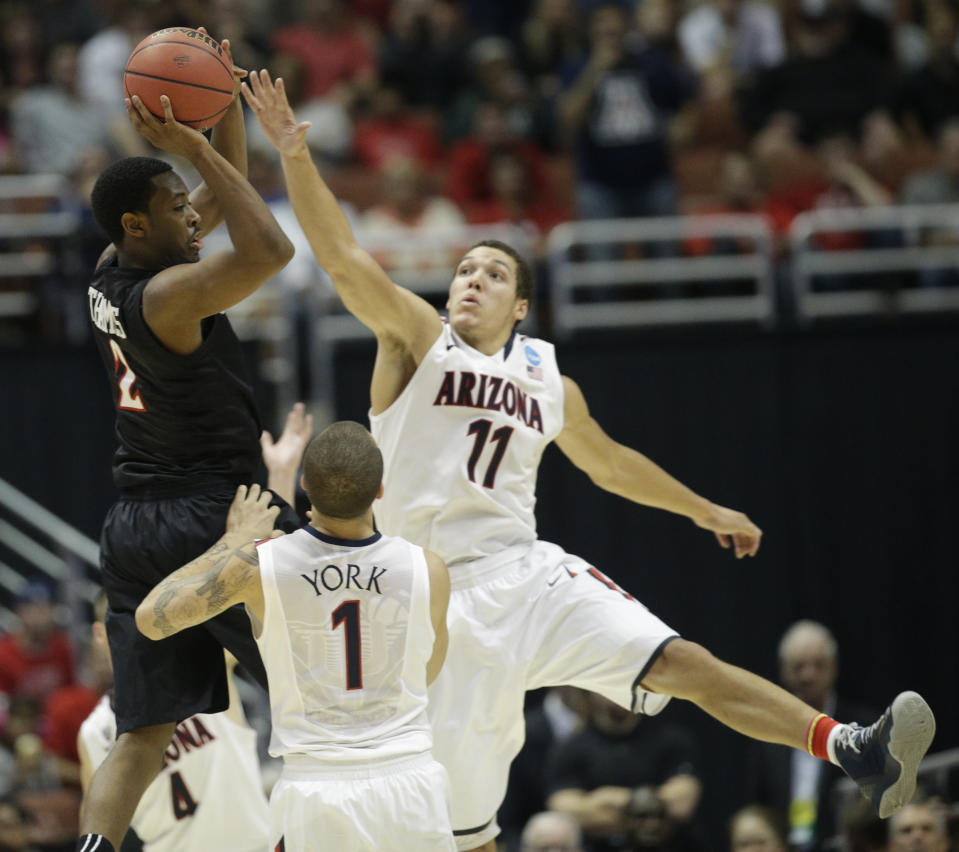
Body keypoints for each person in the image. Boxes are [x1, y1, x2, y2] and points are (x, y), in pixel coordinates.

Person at [242, 68, 936, 852]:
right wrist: (295, 152)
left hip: (528, 574)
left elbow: (607, 464)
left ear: (523, 305)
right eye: (465, 269)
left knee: (682, 662)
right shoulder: (415, 339)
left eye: (493, 273)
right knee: (464, 835)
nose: (471, 280)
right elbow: (338, 257)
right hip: (436, 600)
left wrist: (700, 508)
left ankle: (851, 746)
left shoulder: (546, 377)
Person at [76, 35, 299, 852]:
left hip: (134, 524)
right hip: (217, 514)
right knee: (318, 690)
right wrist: (199, 140)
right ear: (141, 224)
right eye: (178, 208)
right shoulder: (169, 297)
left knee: (142, 733)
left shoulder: (111, 265)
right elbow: (270, 249)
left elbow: (213, 197)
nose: (194, 211)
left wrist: (221, 109)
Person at [135, 422, 454, 851]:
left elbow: (151, 618)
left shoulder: (259, 566)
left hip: (317, 788)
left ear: (306, 486)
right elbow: (427, 671)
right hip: (411, 782)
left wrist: (234, 539)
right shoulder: (428, 569)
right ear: (380, 489)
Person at [77, 591, 271, 852]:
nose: (135, 635)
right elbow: (97, 828)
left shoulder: (203, 669)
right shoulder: (94, 733)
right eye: (123, 625)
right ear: (100, 634)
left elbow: (259, 614)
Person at [745, 620, 879, 850]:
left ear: (833, 667)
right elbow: (760, 803)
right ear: (784, 670)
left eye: (818, 665)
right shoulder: (767, 731)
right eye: (798, 666)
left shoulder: (863, 726)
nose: (808, 675)